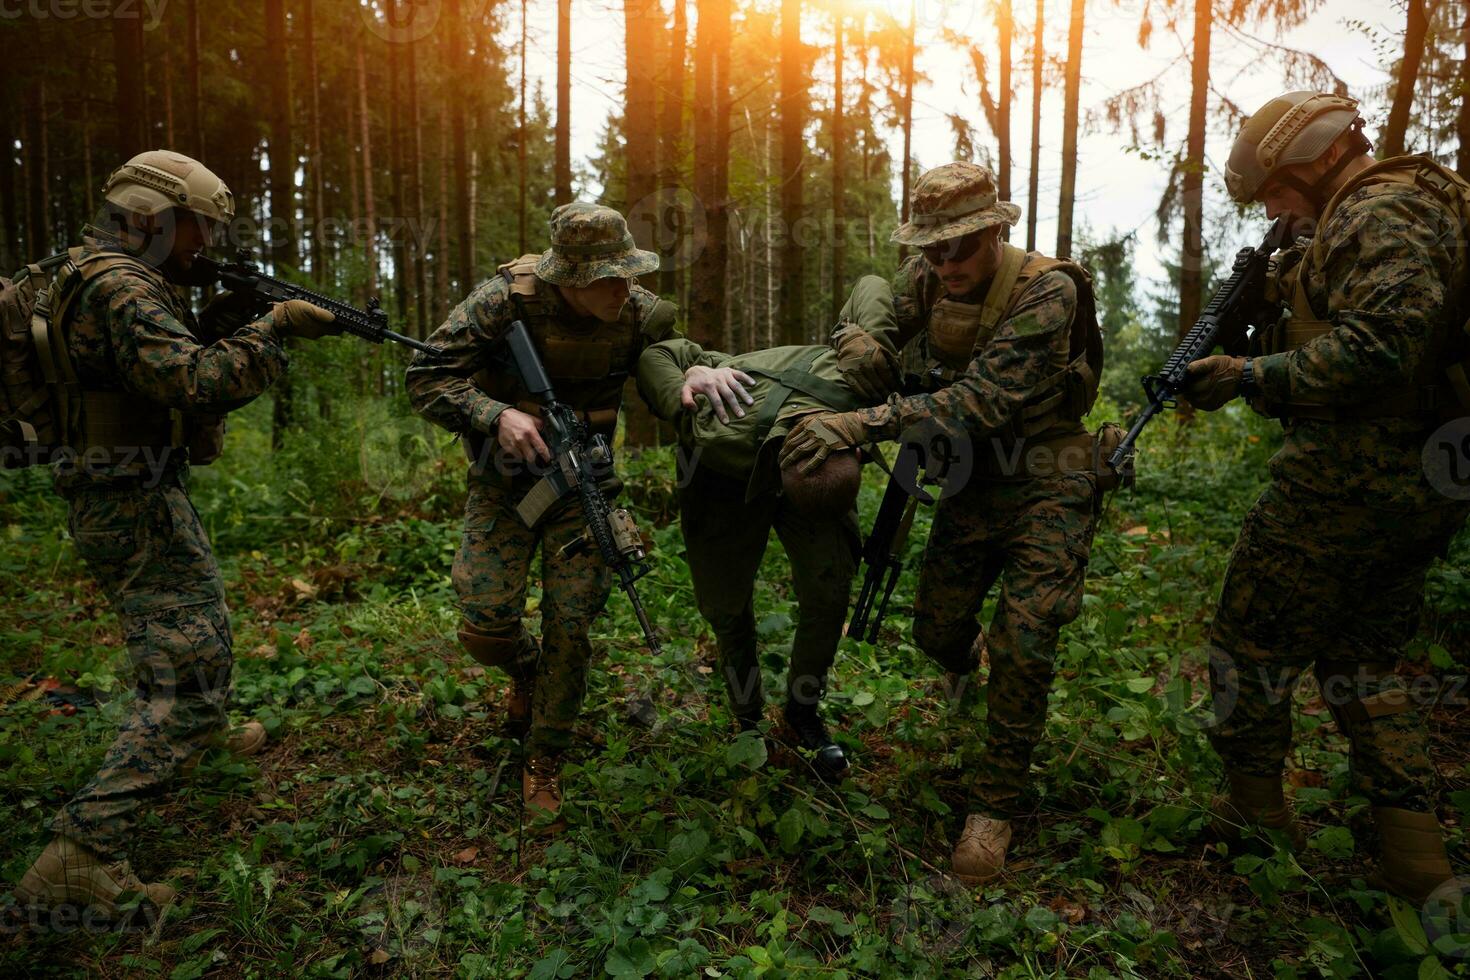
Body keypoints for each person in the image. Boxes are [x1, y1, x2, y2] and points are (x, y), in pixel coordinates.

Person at [14, 150, 340, 918]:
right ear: (155, 218)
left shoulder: (90, 270)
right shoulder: (125, 285)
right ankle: (82, 852)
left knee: (192, 626)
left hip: (123, 485)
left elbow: (150, 365)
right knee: (191, 669)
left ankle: (200, 734)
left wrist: (221, 322)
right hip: (127, 496)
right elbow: (195, 382)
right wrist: (274, 330)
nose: (206, 245)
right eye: (199, 228)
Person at [780, 161, 1115, 884]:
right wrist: (856, 342)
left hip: (1049, 471)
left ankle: (994, 807)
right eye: (931, 250)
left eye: (960, 247)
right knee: (935, 631)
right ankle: (970, 672)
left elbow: (980, 403)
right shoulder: (928, 278)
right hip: (970, 476)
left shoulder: (1047, 289)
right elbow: (877, 325)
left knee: (1024, 638)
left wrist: (859, 425)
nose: (945, 263)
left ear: (996, 230)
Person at [1184, 91, 1470, 905]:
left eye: (1275, 189)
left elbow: (1384, 347)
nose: (1274, 209)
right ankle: (1416, 863)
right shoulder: (1416, 200)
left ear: (1313, 157)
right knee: (1361, 662)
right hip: (1425, 480)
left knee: (1249, 639)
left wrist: (1250, 375)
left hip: (1349, 479)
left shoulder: (1376, 212)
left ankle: (1252, 813)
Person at [407, 203, 716, 829]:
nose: (621, 288)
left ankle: (545, 754)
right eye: (606, 277)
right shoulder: (504, 304)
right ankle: (526, 670)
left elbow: (681, 356)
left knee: (571, 626)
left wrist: (700, 368)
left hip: (585, 489)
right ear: (565, 278)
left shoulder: (638, 313)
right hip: (505, 483)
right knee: (485, 621)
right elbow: (425, 376)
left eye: (627, 273)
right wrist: (496, 415)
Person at [635, 334, 896, 778]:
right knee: (725, 601)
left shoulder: (862, 391)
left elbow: (873, 292)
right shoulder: (710, 428)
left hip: (818, 444)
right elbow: (654, 354)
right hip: (722, 475)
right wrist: (687, 378)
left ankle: (802, 711)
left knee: (829, 588)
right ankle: (747, 716)